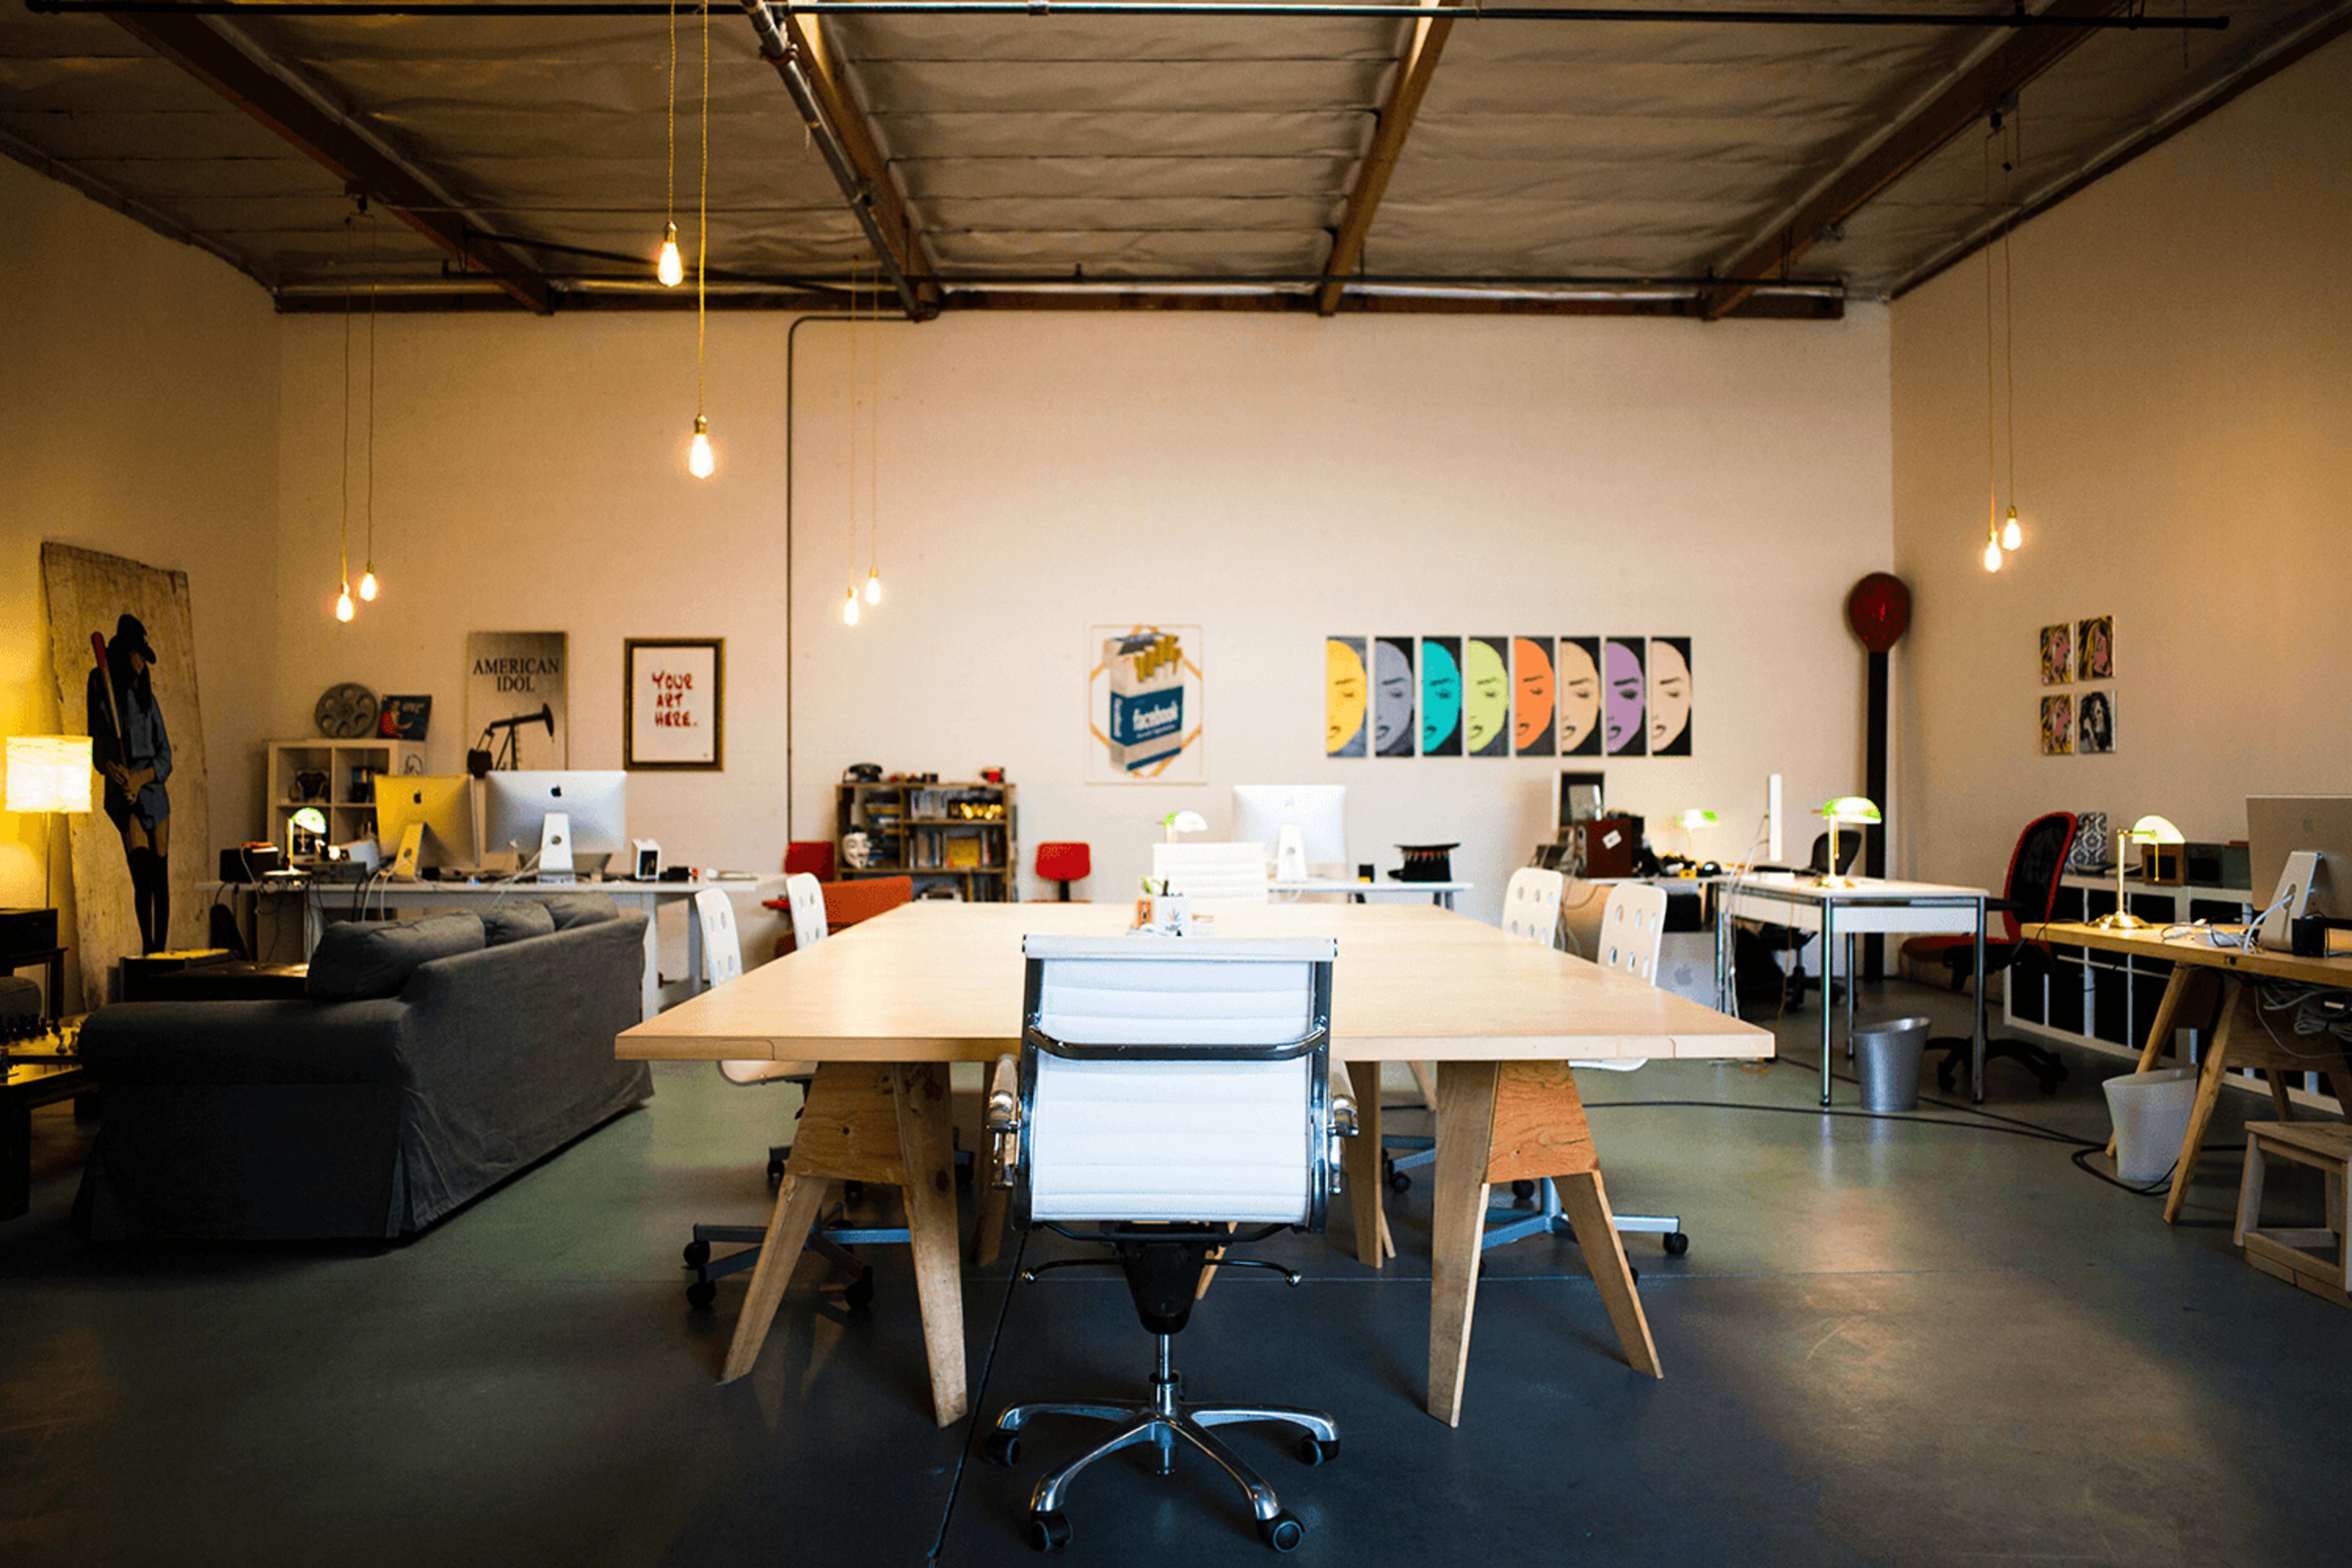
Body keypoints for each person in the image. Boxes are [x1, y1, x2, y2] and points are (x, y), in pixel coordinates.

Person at [89, 613, 173, 954]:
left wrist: (142, 777)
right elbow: (95, 748)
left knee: (161, 877)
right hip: (124, 791)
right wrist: (113, 768)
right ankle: (147, 951)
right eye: (136, 654)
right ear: (125, 654)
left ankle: (160, 952)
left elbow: (165, 754)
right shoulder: (102, 688)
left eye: (143, 655)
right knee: (143, 878)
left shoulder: (147, 700)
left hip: (152, 789)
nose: (140, 661)